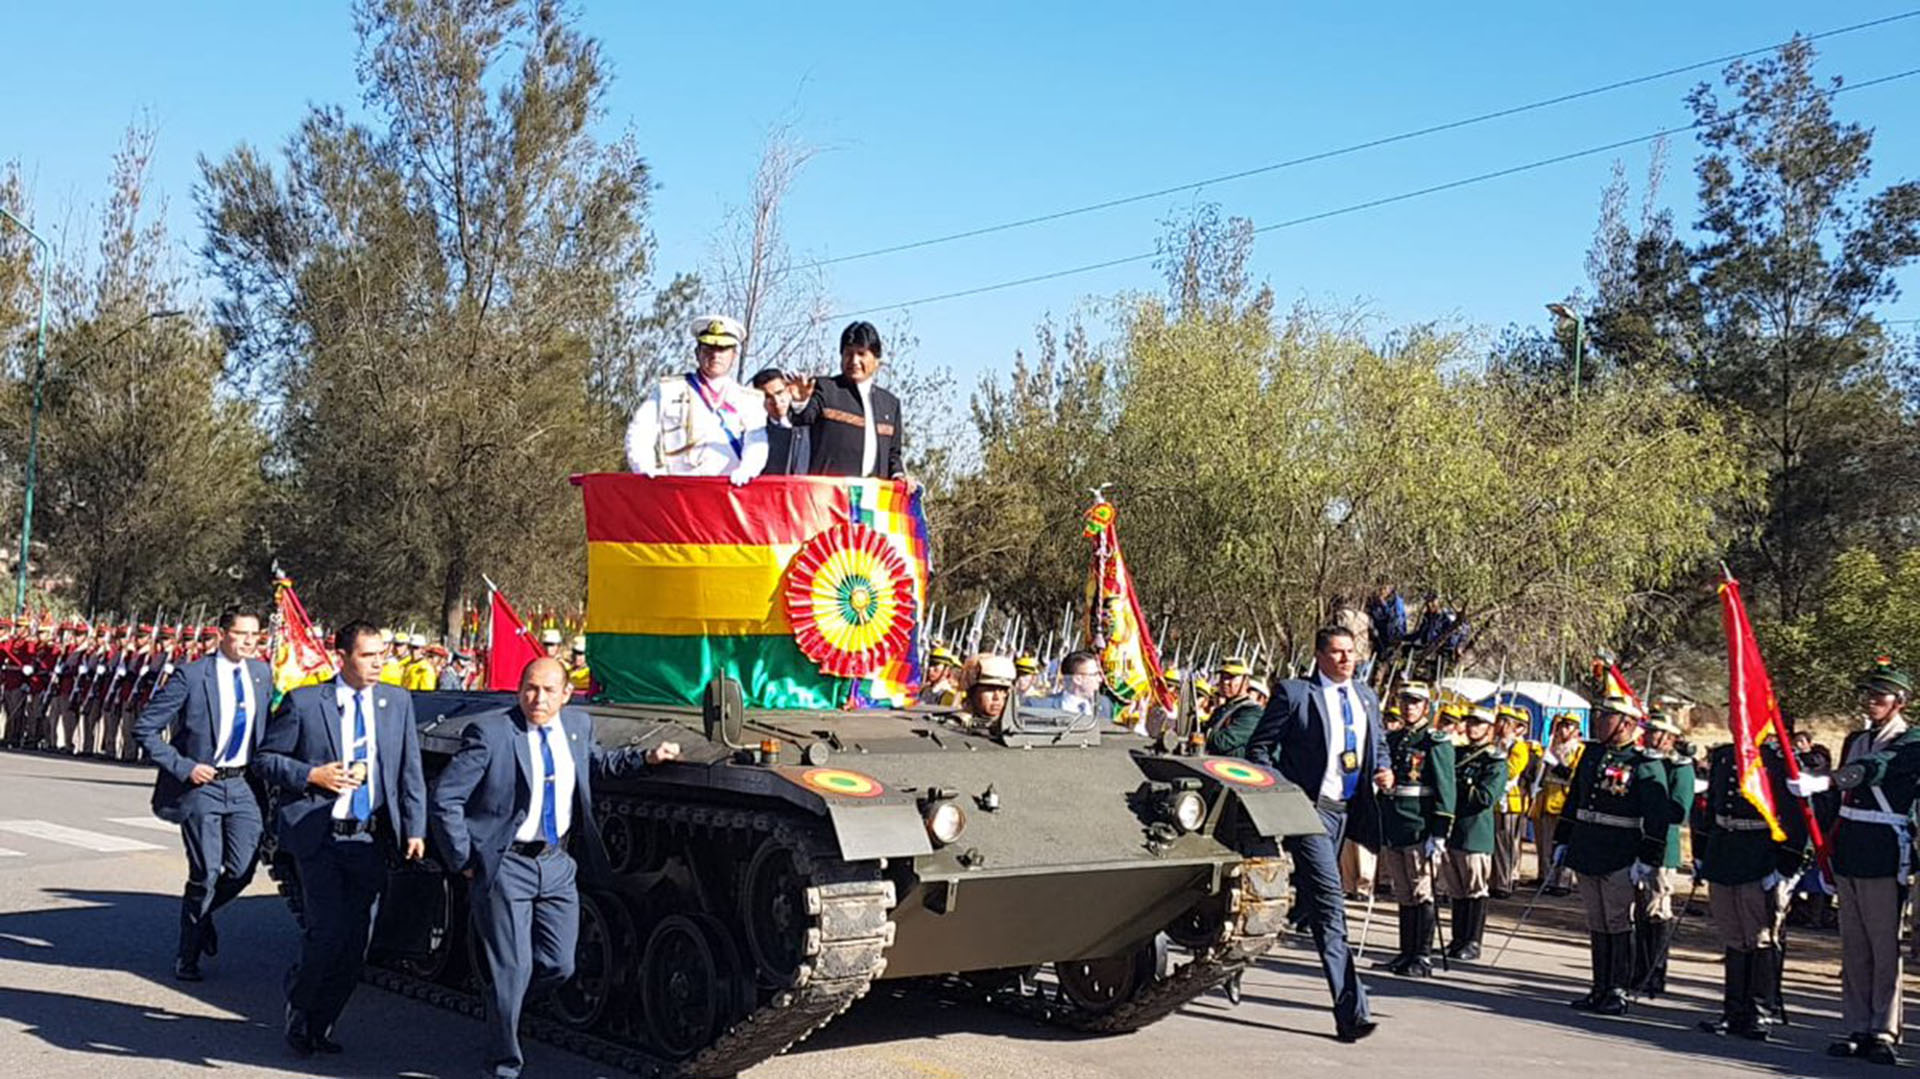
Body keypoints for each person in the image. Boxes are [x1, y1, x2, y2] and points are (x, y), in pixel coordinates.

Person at [430, 657, 680, 1079]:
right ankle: (504, 1065)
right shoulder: (491, 733)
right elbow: (446, 799)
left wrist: (646, 758)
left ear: (567, 694)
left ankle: (503, 1007)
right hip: (507, 863)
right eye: (529, 688)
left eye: (548, 690)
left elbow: (596, 765)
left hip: (556, 862)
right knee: (513, 968)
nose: (537, 698)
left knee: (560, 963)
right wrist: (465, 860)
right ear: (519, 689)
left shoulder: (577, 727)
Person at [256, 621, 428, 1057]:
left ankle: (322, 1022)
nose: (378, 663)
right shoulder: (306, 702)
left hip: (367, 839)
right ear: (342, 657)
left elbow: (409, 771)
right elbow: (265, 759)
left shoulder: (396, 701)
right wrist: (310, 774)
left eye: (381, 654)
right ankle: (299, 1003)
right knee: (327, 932)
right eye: (368, 655)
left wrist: (415, 828)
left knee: (356, 945)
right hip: (320, 836)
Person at [1247, 626, 1392, 1042]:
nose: (1347, 659)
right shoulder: (1295, 694)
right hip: (1309, 812)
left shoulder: (1366, 697)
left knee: (1305, 906)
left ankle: (1232, 961)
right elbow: (1260, 748)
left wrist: (1383, 769)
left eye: (1352, 652)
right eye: (1337, 652)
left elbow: (1376, 744)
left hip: (1349, 812)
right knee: (1332, 908)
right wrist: (1284, 795)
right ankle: (1352, 1011)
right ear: (1320, 656)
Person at [1787, 662, 1920, 1064]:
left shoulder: (1911, 739)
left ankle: (1884, 1029)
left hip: (1883, 851)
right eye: (1868, 693)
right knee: (1855, 947)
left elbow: (1876, 770)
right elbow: (1844, 803)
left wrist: (1827, 779)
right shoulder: (1856, 739)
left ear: (1900, 702)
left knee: (1883, 947)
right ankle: (1856, 1024)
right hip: (1850, 849)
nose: (1871, 700)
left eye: (1880, 695)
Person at [131, 608, 274, 981]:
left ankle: (204, 914)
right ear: (222, 634)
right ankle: (188, 953)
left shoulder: (261, 674)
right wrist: (183, 767)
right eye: (242, 634)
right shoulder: (192, 676)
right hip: (201, 785)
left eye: (255, 635)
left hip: (242, 784)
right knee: (207, 871)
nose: (249, 641)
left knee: (242, 871)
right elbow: (145, 729)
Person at [1553, 694, 1668, 1017]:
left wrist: (1647, 858)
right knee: (1597, 921)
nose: (1599, 721)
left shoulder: (1644, 763)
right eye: (1600, 715)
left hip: (1621, 851)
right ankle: (1599, 986)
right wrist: (1563, 839)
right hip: (1587, 846)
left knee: (1618, 921)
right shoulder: (1592, 754)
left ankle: (1617, 989)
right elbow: (1575, 799)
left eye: (1607, 717)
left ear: (1627, 723)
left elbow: (1657, 817)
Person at [1694, 731, 1808, 1041]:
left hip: (1759, 855)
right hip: (1725, 852)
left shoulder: (1776, 760)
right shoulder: (1724, 756)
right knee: (1733, 936)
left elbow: (1796, 816)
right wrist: (1702, 854)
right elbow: (1711, 808)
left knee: (1759, 936)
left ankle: (1760, 1012)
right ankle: (1733, 1012)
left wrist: (1786, 866)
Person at [625, 315, 768, 482]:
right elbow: (640, 431)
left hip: (726, 490)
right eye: (709, 348)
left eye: (723, 349)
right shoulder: (669, 390)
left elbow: (756, 442)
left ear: (734, 355)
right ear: (697, 352)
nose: (716, 355)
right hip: (679, 490)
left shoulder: (749, 400)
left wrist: (748, 470)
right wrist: (645, 468)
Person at [1375, 681, 1455, 978]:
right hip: (1396, 822)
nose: (1409, 706)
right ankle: (1405, 951)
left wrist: (1440, 831)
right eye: (1405, 700)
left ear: (1426, 706)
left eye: (1415, 701)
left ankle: (1422, 956)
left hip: (1420, 824)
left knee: (1422, 891)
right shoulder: (1394, 739)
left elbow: (1446, 790)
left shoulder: (1435, 742)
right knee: (1404, 892)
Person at [790, 321, 906, 479]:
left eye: (861, 353)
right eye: (848, 353)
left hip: (872, 498)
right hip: (828, 497)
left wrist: (898, 475)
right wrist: (800, 402)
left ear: (876, 360)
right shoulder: (825, 388)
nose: (854, 361)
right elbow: (802, 419)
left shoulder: (890, 404)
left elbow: (893, 454)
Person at [1633, 709, 1696, 997]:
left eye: (1657, 732)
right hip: (1635, 842)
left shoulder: (1679, 767)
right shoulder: (1642, 761)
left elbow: (1678, 811)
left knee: (1657, 909)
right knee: (1637, 911)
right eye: (1648, 731)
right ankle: (1636, 969)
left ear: (1670, 738)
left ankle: (1654, 973)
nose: (1650, 736)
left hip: (1662, 847)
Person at [1444, 704, 1503, 961]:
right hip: (1453, 830)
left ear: (1489, 729)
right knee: (1457, 889)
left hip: (1474, 832)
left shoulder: (1494, 761)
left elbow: (1485, 796)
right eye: (1468, 722)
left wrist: (1456, 786)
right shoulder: (1456, 754)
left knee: (1474, 889)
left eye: (1477, 723)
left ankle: (1472, 941)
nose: (1471, 727)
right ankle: (1457, 939)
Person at [1535, 712, 1585, 895]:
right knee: (1547, 844)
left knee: (1564, 844)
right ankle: (1547, 878)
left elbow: (1573, 775)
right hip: (1546, 800)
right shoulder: (1551, 747)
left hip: (1565, 801)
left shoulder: (1579, 751)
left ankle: (1563, 882)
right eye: (1562, 725)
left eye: (1569, 726)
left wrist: (1555, 764)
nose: (1564, 729)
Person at [1493, 704, 1536, 896]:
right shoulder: (1494, 743)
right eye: (1499, 721)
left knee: (1507, 843)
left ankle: (1505, 881)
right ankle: (1495, 880)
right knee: (1495, 843)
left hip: (1511, 800)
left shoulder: (1517, 746)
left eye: (1506, 722)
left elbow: (1511, 770)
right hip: (1495, 800)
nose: (1501, 726)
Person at [750, 367, 811, 476]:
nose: (776, 401)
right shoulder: (755, 436)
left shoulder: (810, 428)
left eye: (779, 393)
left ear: (789, 390)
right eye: (768, 397)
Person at [1203, 657, 1263, 757]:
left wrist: (1206, 735)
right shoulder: (1221, 710)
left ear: (1245, 681)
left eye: (1231, 677)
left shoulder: (1252, 712)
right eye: (1223, 677)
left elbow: (1222, 743)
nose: (1225, 682)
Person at [956, 654, 1016, 733]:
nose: (997, 697)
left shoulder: (1013, 728)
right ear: (973, 693)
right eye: (990, 689)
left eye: (1002, 690)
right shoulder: (956, 725)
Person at [1044, 651, 1105, 717]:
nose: (1100, 679)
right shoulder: (1043, 707)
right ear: (1077, 679)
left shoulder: (1105, 705)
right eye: (1095, 674)